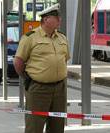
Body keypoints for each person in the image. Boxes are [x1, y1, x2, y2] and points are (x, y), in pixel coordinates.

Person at [13, 3, 70, 133]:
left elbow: (64, 59)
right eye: (57, 17)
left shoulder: (62, 37)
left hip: (59, 89)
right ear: (46, 19)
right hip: (38, 88)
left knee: (57, 126)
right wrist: (28, 78)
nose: (60, 20)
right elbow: (18, 62)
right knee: (34, 126)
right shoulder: (30, 38)